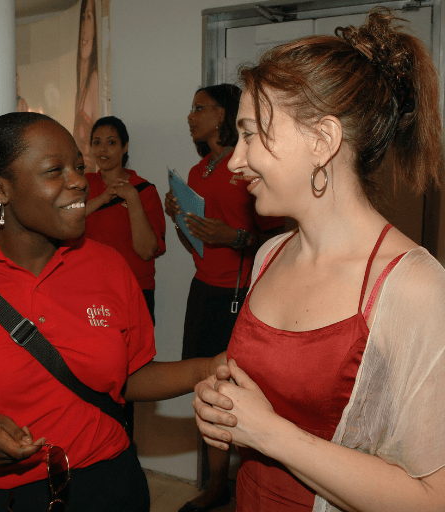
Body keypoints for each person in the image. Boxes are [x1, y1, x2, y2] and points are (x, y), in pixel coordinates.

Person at [193, 8, 445, 512]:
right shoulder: (270, 254)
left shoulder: (415, 287)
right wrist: (222, 402)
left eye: (250, 134)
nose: (236, 161)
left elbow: (431, 499)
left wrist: (267, 431)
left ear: (322, 140)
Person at [0, 110, 225, 512]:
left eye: (77, 166)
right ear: (0, 189)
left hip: (107, 482)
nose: (79, 182)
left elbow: (127, 376)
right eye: (55, 170)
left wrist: (208, 368)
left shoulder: (107, 266)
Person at [165, 84, 284, 512]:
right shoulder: (198, 172)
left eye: (200, 108)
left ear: (222, 115)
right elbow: (197, 243)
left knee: (249, 389)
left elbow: (280, 236)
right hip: (205, 290)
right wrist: (180, 219)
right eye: (191, 107)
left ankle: (257, 481)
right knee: (208, 385)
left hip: (243, 291)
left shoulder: (246, 167)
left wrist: (234, 237)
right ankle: (217, 484)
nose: (190, 115)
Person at [85, 116, 166, 323]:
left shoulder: (144, 190)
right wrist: (103, 198)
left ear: (124, 147)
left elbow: (147, 251)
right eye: (97, 142)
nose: (103, 149)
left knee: (135, 355)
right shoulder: (82, 185)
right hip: (89, 290)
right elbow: (65, 221)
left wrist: (132, 197)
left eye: (111, 142)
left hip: (134, 290)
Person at [73, 0, 99, 170]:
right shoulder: (81, 85)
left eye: (89, 17)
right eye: (83, 17)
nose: (84, 28)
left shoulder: (95, 81)